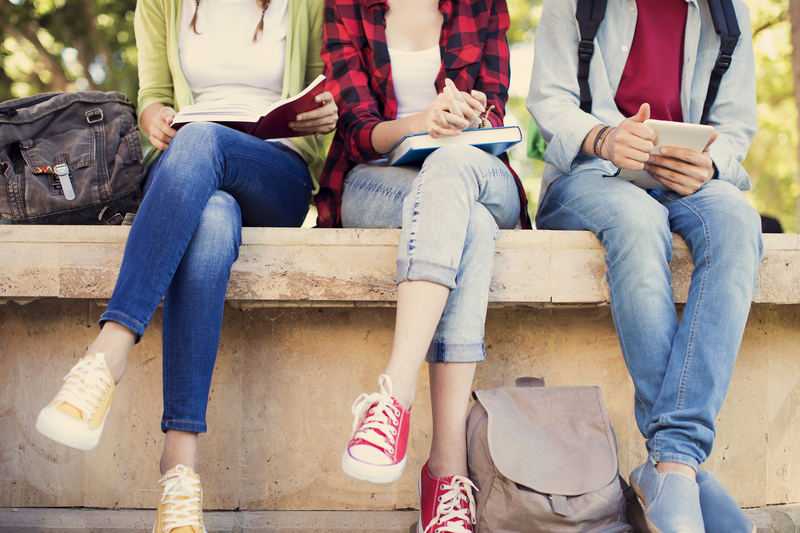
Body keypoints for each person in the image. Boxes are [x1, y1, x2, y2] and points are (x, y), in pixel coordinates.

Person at [34, 0, 336, 531]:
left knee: (203, 141)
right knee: (213, 216)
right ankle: (179, 474)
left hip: (275, 170)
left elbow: (323, 99)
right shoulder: (161, 3)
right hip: (188, 171)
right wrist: (154, 118)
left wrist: (323, 116)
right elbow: (154, 96)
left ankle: (108, 352)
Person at [527, 1, 761, 532]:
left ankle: (671, 464)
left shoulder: (729, 12)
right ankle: (681, 468)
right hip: (590, 176)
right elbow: (549, 99)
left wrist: (712, 162)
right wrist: (605, 138)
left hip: (686, 180)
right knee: (638, 221)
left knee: (739, 225)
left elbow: (736, 126)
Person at [315, 0, 529, 531]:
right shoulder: (346, 6)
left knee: (454, 166)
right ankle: (446, 473)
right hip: (379, 179)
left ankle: (393, 397)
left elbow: (496, 111)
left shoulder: (483, 6)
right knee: (470, 227)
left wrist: (471, 118)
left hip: (478, 170)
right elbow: (357, 130)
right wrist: (420, 123)